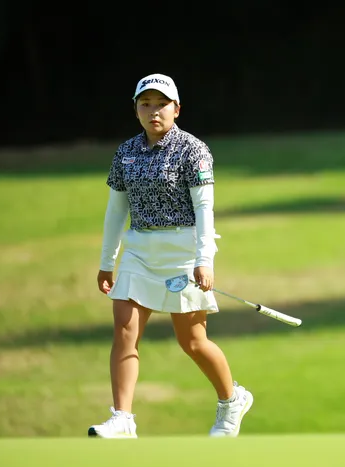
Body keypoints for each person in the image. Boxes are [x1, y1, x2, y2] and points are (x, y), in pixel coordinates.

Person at [88, 73, 253, 439]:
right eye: (145, 104)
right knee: (124, 331)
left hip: (183, 252)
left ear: (176, 109)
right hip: (139, 251)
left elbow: (205, 208)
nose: (154, 111)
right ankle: (123, 418)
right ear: (135, 110)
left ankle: (232, 399)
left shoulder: (193, 149)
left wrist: (204, 259)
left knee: (192, 342)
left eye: (161, 104)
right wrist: (106, 262)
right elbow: (116, 211)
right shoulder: (126, 153)